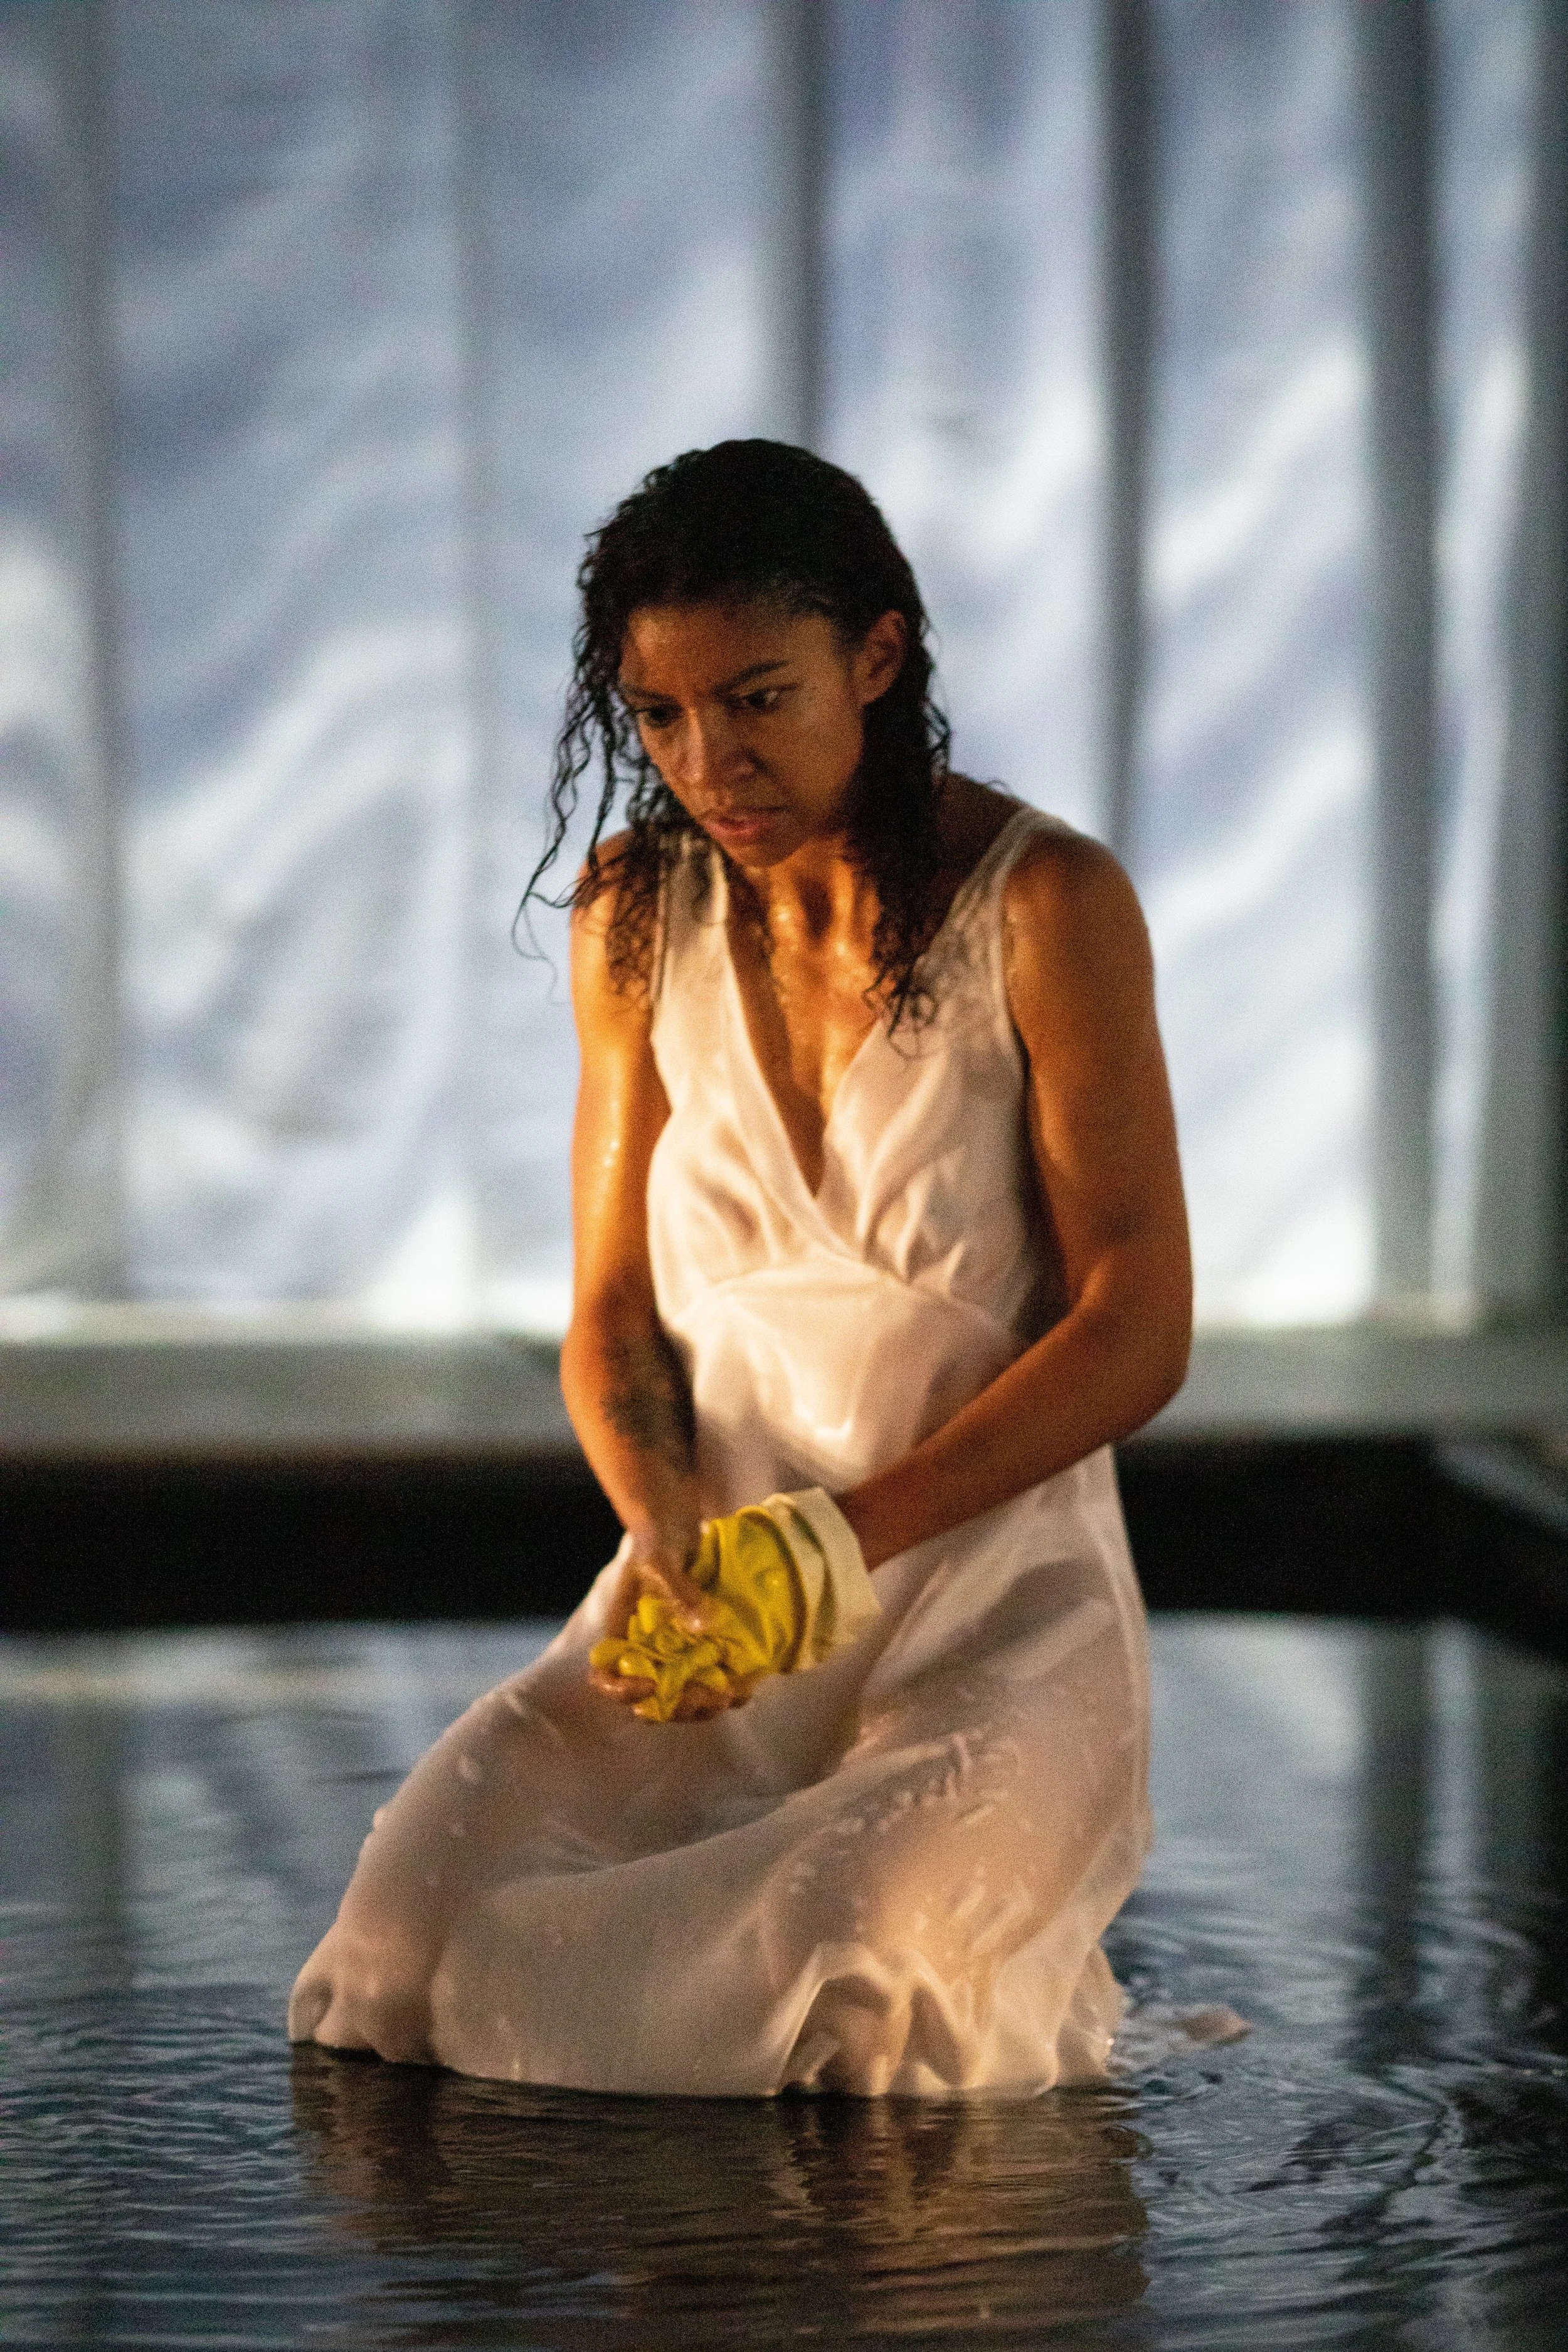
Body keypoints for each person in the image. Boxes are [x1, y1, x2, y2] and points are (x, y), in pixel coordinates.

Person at [289, 440, 1192, 2095]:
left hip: (988, 1615)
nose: (707, 756)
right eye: (657, 715)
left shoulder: (1048, 904)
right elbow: (612, 1316)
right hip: (706, 1608)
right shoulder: (634, 910)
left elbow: (1137, 1326)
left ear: (877, 654)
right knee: (400, 1950)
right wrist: (668, 1532)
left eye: (756, 697)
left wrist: (842, 1545)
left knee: (845, 1975)